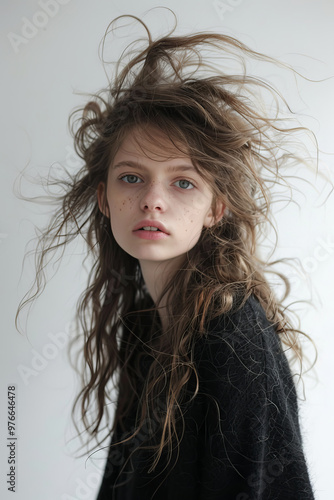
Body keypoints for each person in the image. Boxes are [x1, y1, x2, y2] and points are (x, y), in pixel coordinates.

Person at [15, 12, 317, 500]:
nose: (153, 199)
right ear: (103, 197)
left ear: (216, 208)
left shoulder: (231, 332)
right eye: (131, 177)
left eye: (183, 182)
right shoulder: (144, 327)